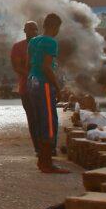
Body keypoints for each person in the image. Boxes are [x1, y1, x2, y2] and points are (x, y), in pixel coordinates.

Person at [27, 13, 69, 174]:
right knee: (49, 123)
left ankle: (42, 160)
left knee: (39, 121)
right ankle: (47, 163)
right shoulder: (51, 42)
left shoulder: (33, 41)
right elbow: (46, 67)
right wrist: (57, 88)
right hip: (43, 83)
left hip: (32, 81)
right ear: (55, 26)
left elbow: (29, 62)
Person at [10, 21, 40, 156]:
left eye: (36, 30)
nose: (34, 32)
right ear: (25, 31)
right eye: (31, 29)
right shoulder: (18, 47)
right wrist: (32, 76)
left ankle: (48, 146)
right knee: (33, 119)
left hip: (42, 88)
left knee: (43, 118)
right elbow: (17, 67)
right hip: (26, 89)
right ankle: (38, 147)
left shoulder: (41, 45)